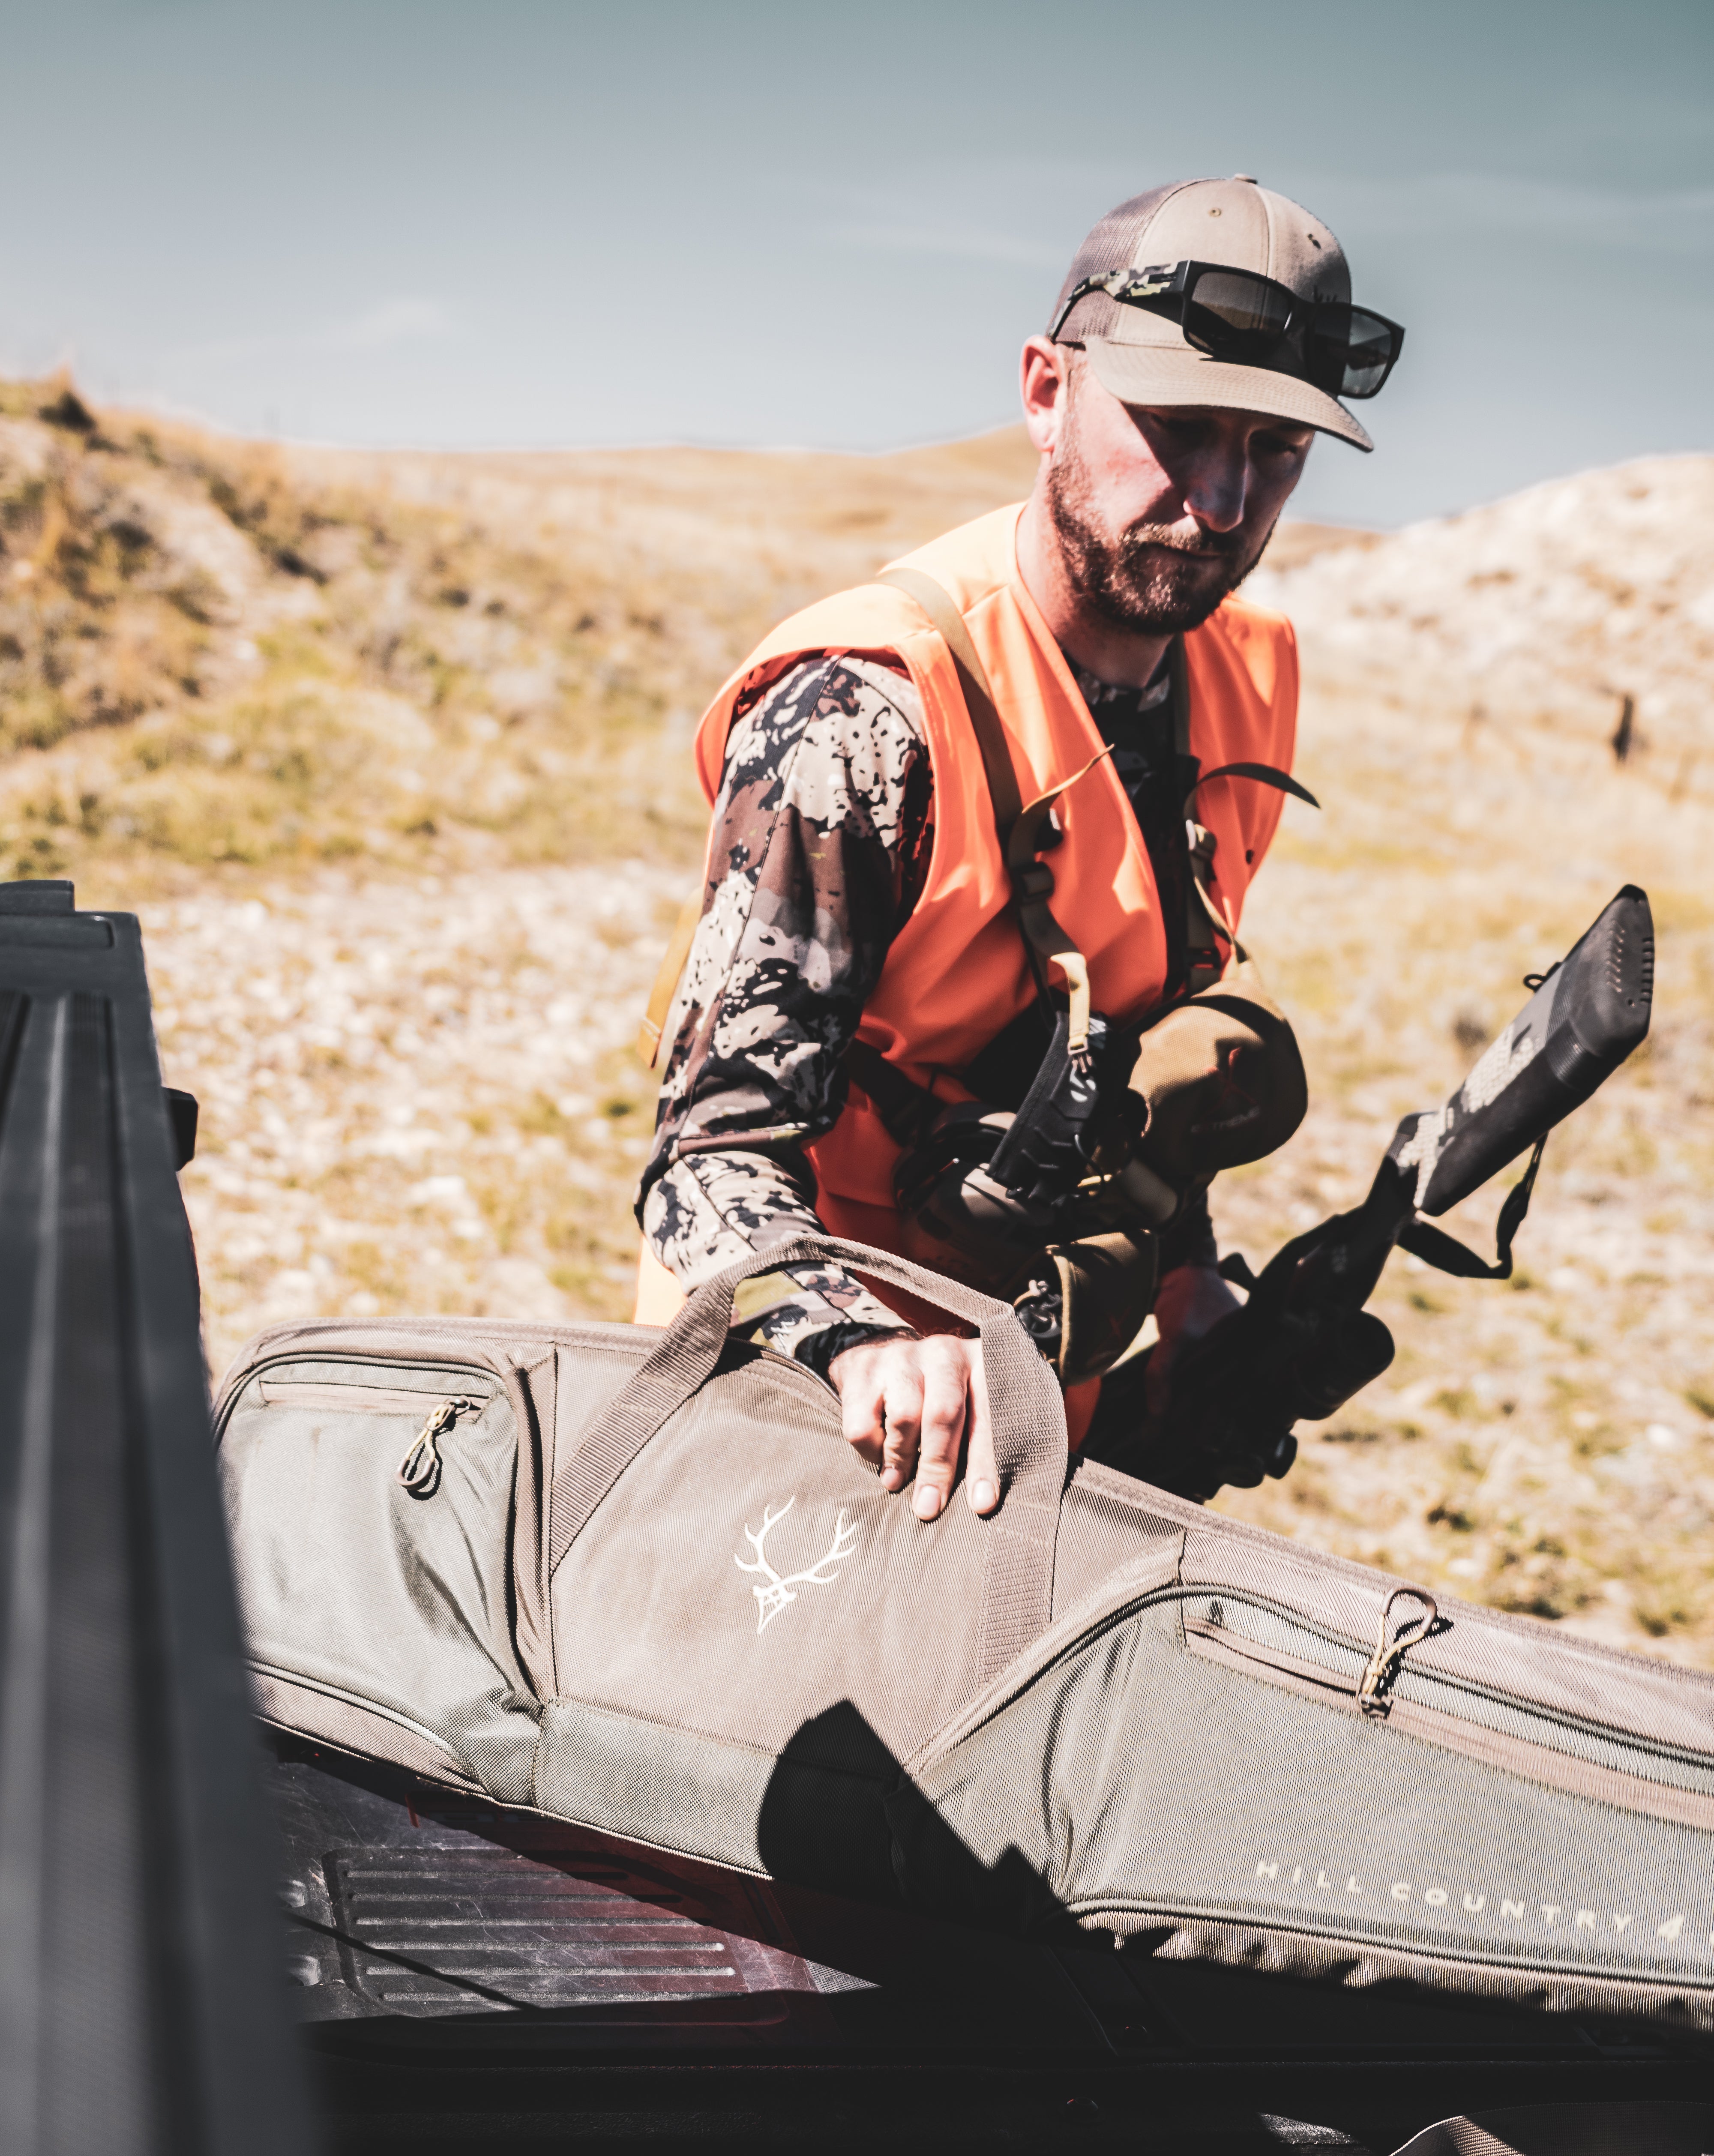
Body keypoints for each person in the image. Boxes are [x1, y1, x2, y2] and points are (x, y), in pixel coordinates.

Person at [634, 176, 1405, 1522]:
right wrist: (861, 1346)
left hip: (1043, 1408)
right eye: (1178, 429)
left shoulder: (1242, 680)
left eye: (1277, 450)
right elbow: (707, 1165)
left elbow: (1127, 1041)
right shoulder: (865, 709)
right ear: (1047, 391)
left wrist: (1189, 1284)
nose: (1224, 500)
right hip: (797, 1419)